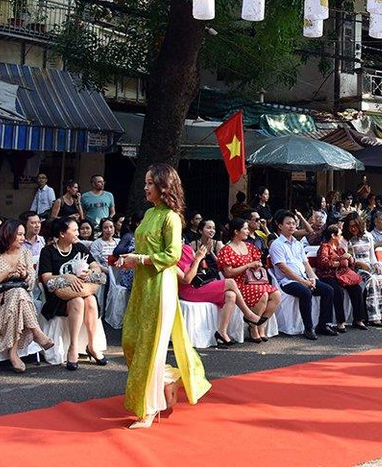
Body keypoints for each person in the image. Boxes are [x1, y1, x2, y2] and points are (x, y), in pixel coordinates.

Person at [117, 163, 210, 429]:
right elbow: (143, 251)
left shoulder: (171, 217)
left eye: (150, 183)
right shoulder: (148, 214)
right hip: (142, 286)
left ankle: (149, 409)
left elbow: (173, 255)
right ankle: (168, 377)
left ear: (163, 186)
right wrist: (130, 260)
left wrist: (140, 259)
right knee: (131, 341)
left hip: (161, 287)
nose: (145, 187)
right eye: (145, 182)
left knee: (151, 346)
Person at [0, 219, 54, 372]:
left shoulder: (25, 253)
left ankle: (13, 352)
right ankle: (36, 332)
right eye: (19, 234)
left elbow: (32, 283)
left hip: (18, 298)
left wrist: (25, 274)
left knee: (18, 294)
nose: (23, 238)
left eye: (23, 234)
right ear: (8, 234)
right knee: (18, 295)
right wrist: (7, 273)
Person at [182, 228, 271, 347]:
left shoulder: (187, 249)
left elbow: (199, 268)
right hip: (188, 289)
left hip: (199, 283)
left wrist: (200, 256)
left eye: (181, 239)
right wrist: (198, 259)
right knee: (230, 282)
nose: (180, 242)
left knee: (231, 295)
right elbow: (186, 280)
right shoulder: (171, 259)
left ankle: (222, 332)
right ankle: (248, 314)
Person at [39, 217, 105, 370]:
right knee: (78, 301)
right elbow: (46, 277)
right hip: (59, 296)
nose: (78, 233)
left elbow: (96, 267)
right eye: (74, 230)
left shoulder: (79, 247)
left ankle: (92, 345)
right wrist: (66, 277)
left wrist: (89, 272)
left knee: (90, 300)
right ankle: (73, 347)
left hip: (82, 290)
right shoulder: (48, 251)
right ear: (62, 234)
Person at [269, 210, 336, 340]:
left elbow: (306, 264)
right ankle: (308, 328)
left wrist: (313, 278)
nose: (292, 226)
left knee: (328, 290)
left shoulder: (298, 244)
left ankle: (323, 324)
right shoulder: (276, 245)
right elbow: (284, 269)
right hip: (287, 282)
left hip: (304, 278)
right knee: (306, 292)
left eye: (294, 223)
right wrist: (303, 282)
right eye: (288, 223)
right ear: (280, 226)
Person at [217, 218, 281, 343]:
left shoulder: (250, 247)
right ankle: (253, 327)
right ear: (236, 231)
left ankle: (260, 324)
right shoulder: (227, 250)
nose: (248, 231)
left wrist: (257, 264)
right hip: (237, 284)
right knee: (262, 294)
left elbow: (258, 262)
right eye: (245, 229)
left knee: (276, 295)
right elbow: (228, 273)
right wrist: (248, 265)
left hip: (254, 281)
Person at [342, 212, 382, 327]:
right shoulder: (345, 239)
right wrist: (359, 263)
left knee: (381, 279)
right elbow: (346, 259)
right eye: (351, 226)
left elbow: (372, 256)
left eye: (355, 226)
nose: (353, 229)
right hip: (355, 268)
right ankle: (373, 317)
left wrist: (376, 264)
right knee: (371, 280)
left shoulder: (368, 236)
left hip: (369, 265)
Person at [314, 225, 368, 331]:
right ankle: (340, 321)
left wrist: (350, 259)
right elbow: (323, 262)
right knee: (337, 291)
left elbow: (349, 264)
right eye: (339, 235)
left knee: (357, 288)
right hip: (328, 276)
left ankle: (358, 319)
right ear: (333, 236)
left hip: (342, 275)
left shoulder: (340, 249)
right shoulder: (324, 247)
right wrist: (339, 261)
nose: (341, 237)